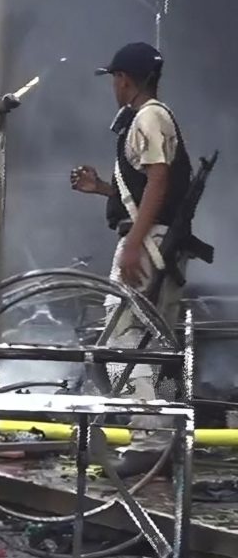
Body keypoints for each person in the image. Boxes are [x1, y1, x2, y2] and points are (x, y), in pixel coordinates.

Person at [70, 41, 192, 472]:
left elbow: (158, 182)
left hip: (149, 243)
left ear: (124, 79)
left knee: (128, 337)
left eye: (115, 79)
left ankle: (149, 442)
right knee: (154, 343)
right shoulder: (151, 118)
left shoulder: (149, 117)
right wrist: (103, 189)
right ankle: (164, 438)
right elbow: (147, 188)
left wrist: (135, 244)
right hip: (156, 239)